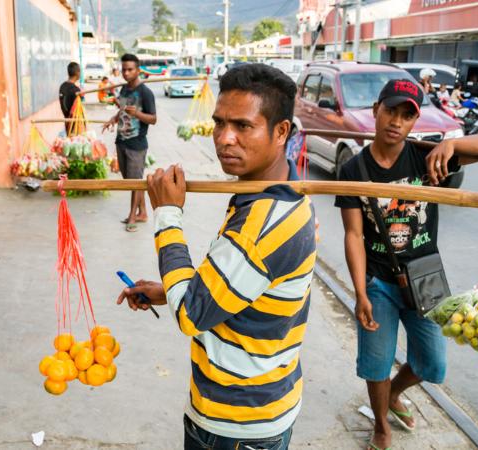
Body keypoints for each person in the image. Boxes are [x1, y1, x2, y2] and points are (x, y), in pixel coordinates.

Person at [117, 64, 315, 450]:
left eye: (243, 126)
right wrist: (171, 289)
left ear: (281, 132)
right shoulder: (276, 193)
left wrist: (167, 214)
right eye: (219, 123)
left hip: (236, 421)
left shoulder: (265, 222)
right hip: (260, 404)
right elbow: (237, 287)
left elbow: (191, 315)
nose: (225, 138)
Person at [335, 78, 478, 450]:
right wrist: (360, 292)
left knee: (432, 366)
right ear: (376, 110)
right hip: (378, 282)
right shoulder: (354, 172)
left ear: (414, 121)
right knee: (375, 363)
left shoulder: (427, 158)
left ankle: (392, 395)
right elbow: (352, 236)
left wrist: (452, 143)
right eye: (391, 111)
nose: (396, 121)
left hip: (425, 281)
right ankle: (380, 424)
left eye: (407, 116)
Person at [103, 54, 157, 232]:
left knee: (134, 182)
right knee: (130, 180)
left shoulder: (145, 93)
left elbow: (153, 119)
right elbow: (123, 109)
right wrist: (113, 119)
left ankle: (133, 216)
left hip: (137, 144)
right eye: (124, 69)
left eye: (130, 69)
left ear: (138, 70)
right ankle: (143, 212)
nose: (126, 73)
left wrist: (138, 115)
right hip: (121, 141)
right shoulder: (125, 89)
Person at [59, 62, 81, 134]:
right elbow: (77, 110)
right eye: (80, 71)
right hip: (75, 125)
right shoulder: (76, 90)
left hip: (67, 122)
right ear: (77, 72)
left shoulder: (62, 86)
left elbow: (64, 105)